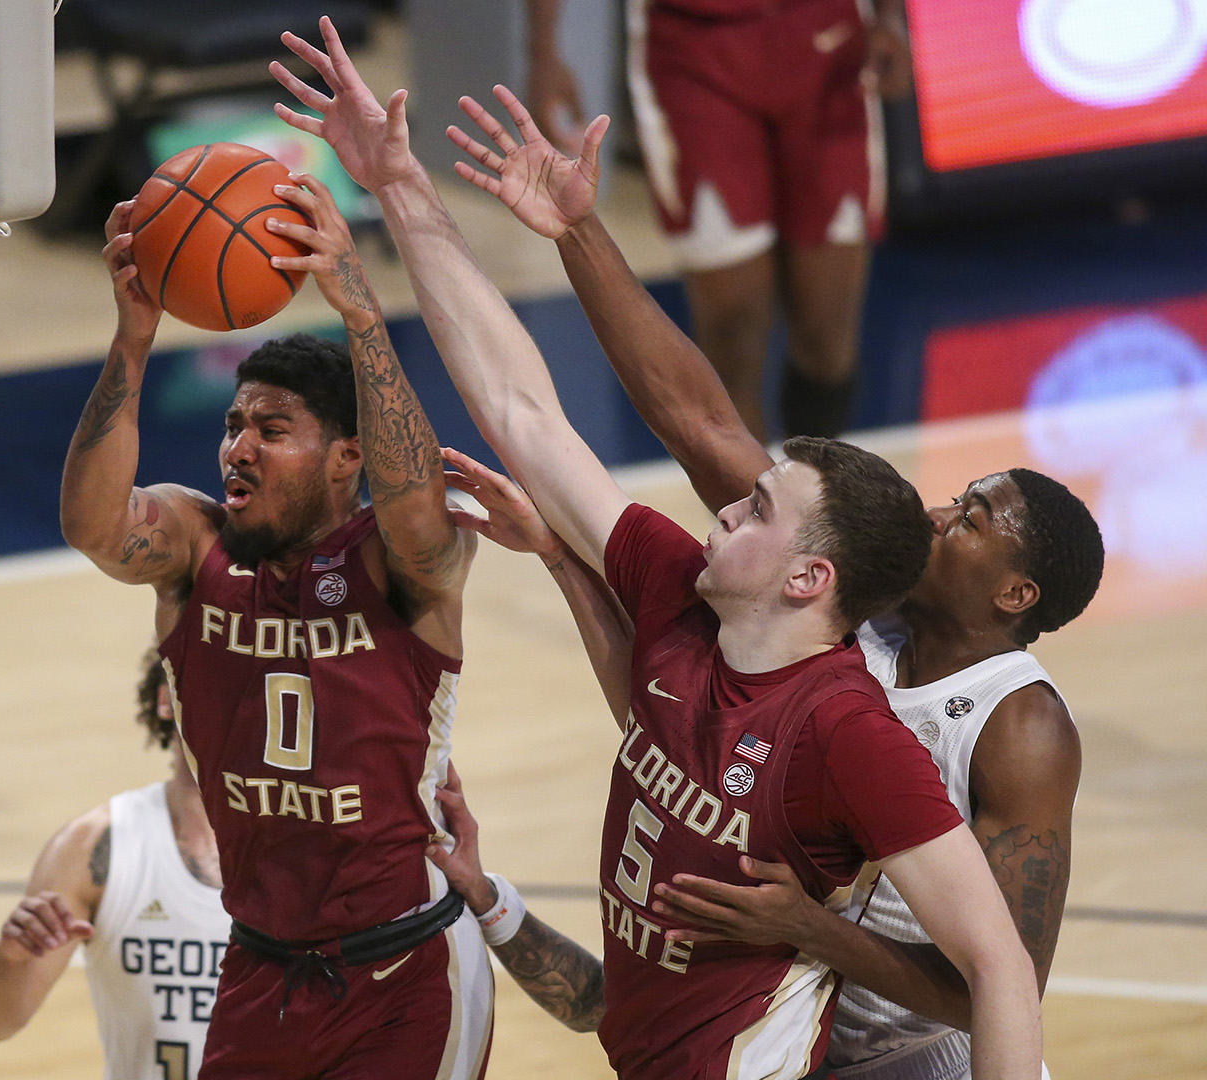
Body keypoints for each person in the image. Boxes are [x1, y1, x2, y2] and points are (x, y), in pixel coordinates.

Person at [272, 18, 1042, 1080]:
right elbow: (522, 411)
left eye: (759, 511)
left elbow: (1001, 966)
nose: (726, 511)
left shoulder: (848, 732)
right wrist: (400, 184)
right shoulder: (683, 598)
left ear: (809, 577)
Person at [443, 84, 1103, 1080]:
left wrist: (816, 928)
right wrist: (579, 232)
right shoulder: (838, 605)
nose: (938, 515)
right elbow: (699, 421)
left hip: (927, 1059)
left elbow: (1000, 984)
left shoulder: (1018, 726)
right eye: (956, 496)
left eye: (972, 522)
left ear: (1016, 596)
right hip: (795, 1032)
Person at [59, 170, 492, 1074]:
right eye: (233, 423)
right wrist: (134, 341)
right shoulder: (195, 547)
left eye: (273, 428)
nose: (238, 447)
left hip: (403, 965)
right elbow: (92, 527)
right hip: (260, 961)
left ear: (346, 457)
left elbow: (421, 512)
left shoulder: (397, 564)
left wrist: (363, 312)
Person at [524, 0, 914, 439]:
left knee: (826, 334)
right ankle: (756, 503)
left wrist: (891, 17)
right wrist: (544, 52)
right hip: (693, 48)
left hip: (827, 35)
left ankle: (822, 499)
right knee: (733, 332)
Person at [0, 653, 231, 1078]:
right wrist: (11, 957)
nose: (233, 705)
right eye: (218, 684)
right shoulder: (92, 845)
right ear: (167, 699)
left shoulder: (318, 847)